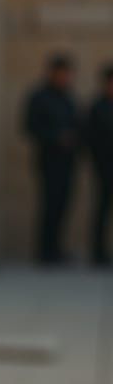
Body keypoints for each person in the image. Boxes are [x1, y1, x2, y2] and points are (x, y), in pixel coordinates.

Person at [22, 54, 79, 264]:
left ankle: (56, 249)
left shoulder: (68, 97)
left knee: (63, 206)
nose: (64, 77)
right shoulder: (39, 97)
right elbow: (29, 127)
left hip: (68, 162)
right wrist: (56, 137)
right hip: (48, 161)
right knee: (49, 206)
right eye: (61, 73)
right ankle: (45, 252)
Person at [86, 64, 113, 265]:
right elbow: (91, 139)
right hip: (104, 167)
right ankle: (98, 253)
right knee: (102, 209)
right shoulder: (97, 107)